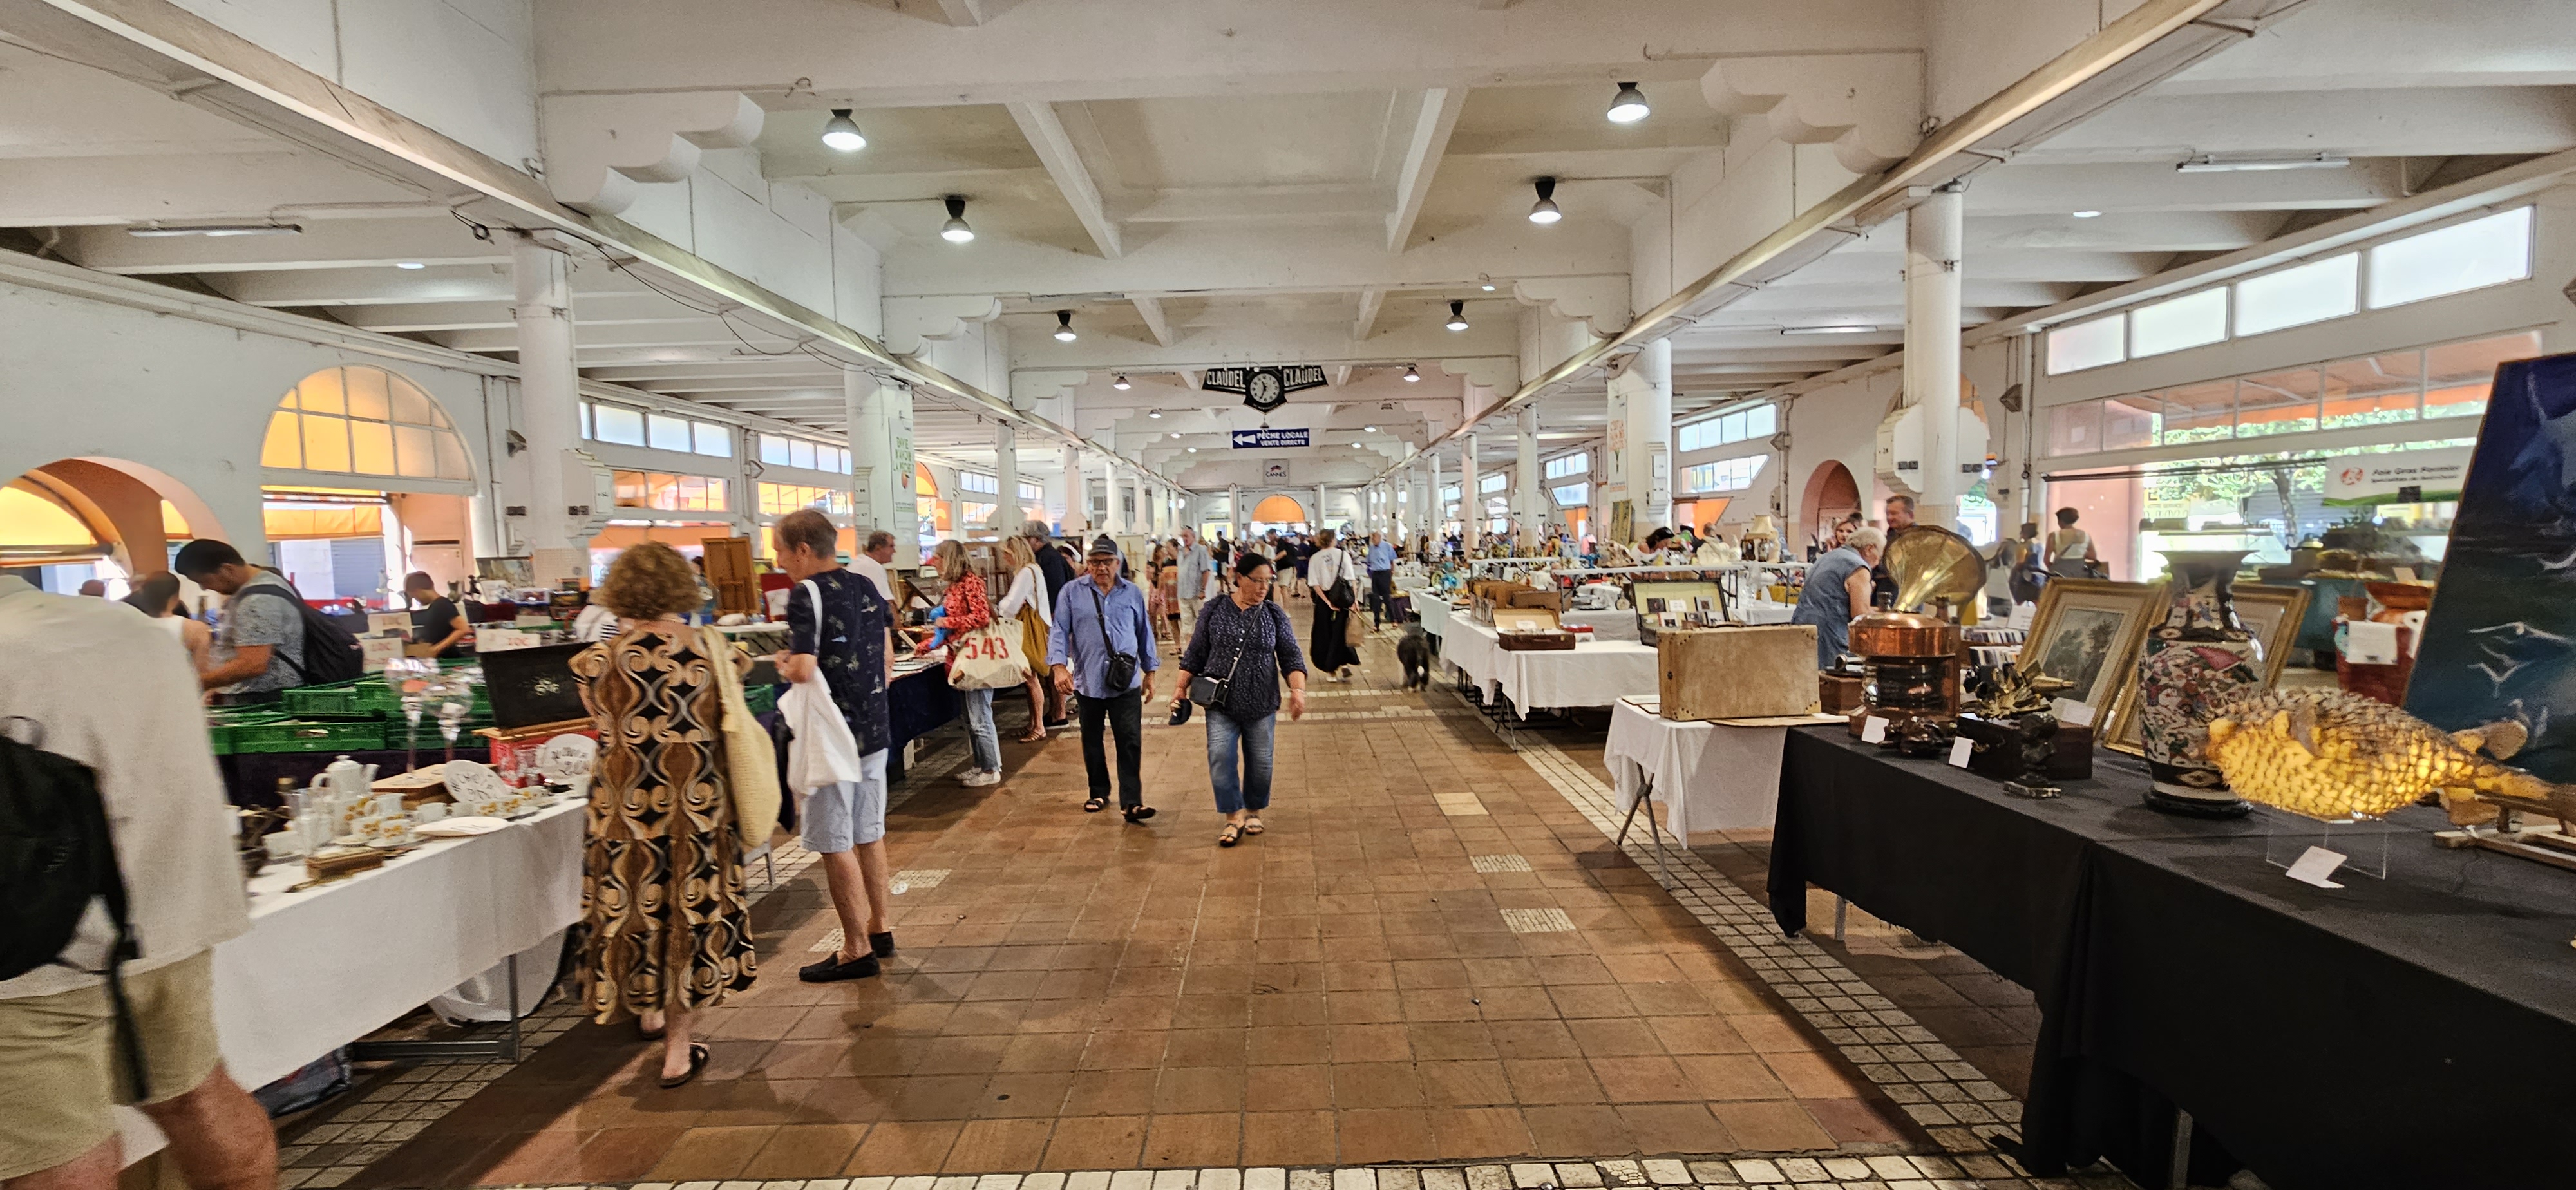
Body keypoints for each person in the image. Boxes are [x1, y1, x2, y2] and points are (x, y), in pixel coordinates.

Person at [0, 574, 270, 1190]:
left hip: (35, 946)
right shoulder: (125, 628)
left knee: (54, 1147)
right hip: (170, 911)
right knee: (196, 1096)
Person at [568, 542, 758, 1087]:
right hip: (697, 808)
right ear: (682, 586)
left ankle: (646, 1009)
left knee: (636, 912)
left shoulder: (595, 662)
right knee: (687, 916)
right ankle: (678, 1050)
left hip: (622, 812)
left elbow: (603, 725)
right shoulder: (717, 654)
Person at [772, 510, 896, 984]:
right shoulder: (865, 584)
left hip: (832, 735)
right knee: (869, 832)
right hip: (874, 728)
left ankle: (855, 948)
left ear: (804, 549)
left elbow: (804, 669)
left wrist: (783, 663)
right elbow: (885, 653)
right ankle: (880, 928)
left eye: (782, 551)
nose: (779, 561)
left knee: (834, 840)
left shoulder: (806, 594)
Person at [1170, 552, 1309, 847]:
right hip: (1220, 702)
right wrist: (1180, 688)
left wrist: (1298, 691)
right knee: (1221, 757)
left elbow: (1291, 656)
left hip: (1261, 701)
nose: (1263, 587)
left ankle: (1254, 809)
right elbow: (1196, 653)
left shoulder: (1273, 614)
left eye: (1268, 581)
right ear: (1239, 578)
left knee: (1261, 761)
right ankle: (1233, 816)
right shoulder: (1214, 609)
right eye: (1257, 581)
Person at [1048, 534, 1159, 820]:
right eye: (1095, 562)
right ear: (1088, 564)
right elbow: (1059, 630)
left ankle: (1132, 802)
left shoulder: (1132, 593)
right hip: (1089, 681)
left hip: (1126, 682)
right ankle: (1098, 792)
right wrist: (1059, 666)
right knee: (1092, 740)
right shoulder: (1071, 593)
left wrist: (1150, 672)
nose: (1101, 567)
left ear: (1117, 563)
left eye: (1107, 561)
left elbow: (1144, 632)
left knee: (1130, 740)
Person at [173, 539, 305, 696]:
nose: (205, 588)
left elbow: (253, 664)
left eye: (205, 581)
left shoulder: (256, 600)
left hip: (264, 698)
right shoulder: (269, 582)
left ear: (227, 569)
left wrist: (197, 684)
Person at [930, 540, 1005, 787]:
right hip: (960, 658)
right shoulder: (954, 586)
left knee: (980, 716)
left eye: (938, 557)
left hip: (976, 658)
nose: (934, 562)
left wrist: (947, 623)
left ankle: (992, 769)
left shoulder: (971, 582)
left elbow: (981, 617)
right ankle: (980, 764)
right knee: (970, 719)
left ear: (949, 558)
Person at [1793, 525, 1884, 669]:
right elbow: (1860, 614)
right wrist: (1887, 618)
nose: (1878, 562)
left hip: (1802, 627)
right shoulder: (1859, 567)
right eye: (1880, 555)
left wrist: (1879, 610)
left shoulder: (1829, 556)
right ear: (1869, 549)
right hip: (1829, 637)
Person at [995, 535, 1056, 744]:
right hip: (1038, 625)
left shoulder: (1025, 573)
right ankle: (1033, 723)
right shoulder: (1035, 570)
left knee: (1031, 678)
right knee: (1031, 677)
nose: (1004, 558)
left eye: (1006, 553)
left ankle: (1039, 726)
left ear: (1015, 553)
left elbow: (1011, 605)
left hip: (1027, 630)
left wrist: (1000, 607)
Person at [1022, 520, 1079, 728]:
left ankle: (1059, 713)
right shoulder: (1049, 557)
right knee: (1052, 667)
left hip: (1054, 620)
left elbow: (1057, 593)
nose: (1025, 543)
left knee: (1056, 666)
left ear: (1036, 539)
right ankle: (1056, 711)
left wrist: (1052, 624)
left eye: (1027, 538)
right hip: (1055, 619)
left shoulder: (1049, 559)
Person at [122, 571, 213, 674]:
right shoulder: (196, 630)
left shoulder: (130, 628)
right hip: (180, 682)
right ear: (175, 598)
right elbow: (201, 672)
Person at [1305, 529, 1360, 682]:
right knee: (1341, 633)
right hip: (1342, 598)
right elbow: (1351, 580)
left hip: (1324, 600)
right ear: (1333, 540)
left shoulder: (1315, 558)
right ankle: (1344, 664)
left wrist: (1327, 602)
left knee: (1324, 635)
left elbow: (1315, 584)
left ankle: (1331, 671)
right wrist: (1354, 600)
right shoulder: (1343, 555)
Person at [402, 571, 469, 659]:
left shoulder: (443, 604)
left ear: (418, 591)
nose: (417, 600)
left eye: (414, 597)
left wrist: (436, 649)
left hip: (449, 659)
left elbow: (463, 629)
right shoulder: (433, 607)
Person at [1174, 529, 1212, 642]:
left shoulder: (1201, 550)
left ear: (1193, 537)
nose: (1184, 538)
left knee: (1201, 622)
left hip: (1196, 593)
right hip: (1183, 592)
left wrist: (1203, 590)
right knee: (1186, 623)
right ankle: (1189, 648)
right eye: (1183, 536)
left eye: (1187, 536)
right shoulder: (1181, 552)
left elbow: (1206, 571)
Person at [2048, 507, 2101, 578]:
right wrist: (2079, 552)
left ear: (2060, 521)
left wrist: (2053, 569)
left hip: (2059, 576)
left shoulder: (2054, 536)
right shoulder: (2085, 535)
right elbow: (2093, 556)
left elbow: (2046, 560)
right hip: (2080, 574)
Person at [850, 528, 898, 601]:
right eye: (891, 546)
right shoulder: (873, 567)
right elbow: (888, 601)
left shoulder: (858, 561)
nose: (894, 551)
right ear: (878, 549)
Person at [1363, 531, 1397, 628]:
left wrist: (1392, 571)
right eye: (1372, 538)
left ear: (1379, 537)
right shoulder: (1371, 548)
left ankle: (1393, 620)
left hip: (1385, 573)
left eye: (1374, 538)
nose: (1373, 540)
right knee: (1376, 599)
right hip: (1375, 574)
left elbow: (1392, 560)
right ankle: (1376, 623)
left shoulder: (1387, 546)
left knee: (1387, 598)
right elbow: (1369, 561)